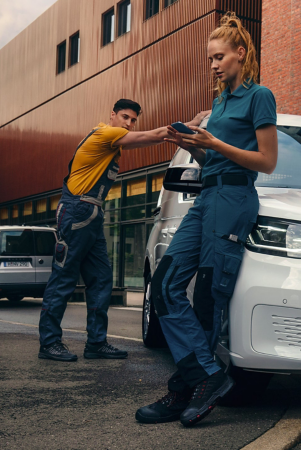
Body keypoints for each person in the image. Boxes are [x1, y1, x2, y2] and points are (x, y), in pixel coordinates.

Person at [135, 13, 278, 427]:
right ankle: (207, 375)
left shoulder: (259, 96)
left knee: (208, 298)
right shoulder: (217, 103)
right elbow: (210, 159)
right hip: (207, 194)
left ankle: (184, 390)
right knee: (163, 285)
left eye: (219, 57)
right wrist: (194, 146)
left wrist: (214, 141)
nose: (213, 65)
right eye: (209, 59)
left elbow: (267, 161)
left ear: (241, 53)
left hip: (235, 197)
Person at [38, 99, 210, 362]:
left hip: (91, 215)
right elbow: (153, 136)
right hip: (77, 211)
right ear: (113, 116)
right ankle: (49, 343)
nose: (129, 124)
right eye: (125, 118)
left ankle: (96, 343)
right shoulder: (106, 133)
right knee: (64, 278)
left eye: (133, 120)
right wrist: (194, 123)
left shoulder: (112, 143)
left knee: (102, 279)